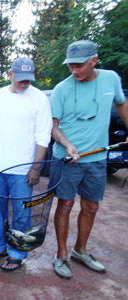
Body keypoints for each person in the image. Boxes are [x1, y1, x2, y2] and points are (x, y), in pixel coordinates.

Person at [50, 40, 128, 279]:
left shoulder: (110, 79)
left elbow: (122, 104)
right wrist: (67, 144)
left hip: (97, 158)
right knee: (65, 205)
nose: (74, 71)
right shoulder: (62, 89)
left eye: (79, 65)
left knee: (91, 206)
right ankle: (61, 254)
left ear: (94, 60)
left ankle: (80, 251)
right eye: (70, 66)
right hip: (67, 158)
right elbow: (53, 128)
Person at [0, 58, 52, 271]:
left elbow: (43, 136)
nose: (24, 84)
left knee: (21, 214)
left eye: (28, 80)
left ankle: (17, 253)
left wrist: (36, 167)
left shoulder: (39, 99)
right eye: (20, 79)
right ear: (10, 74)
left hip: (23, 171)